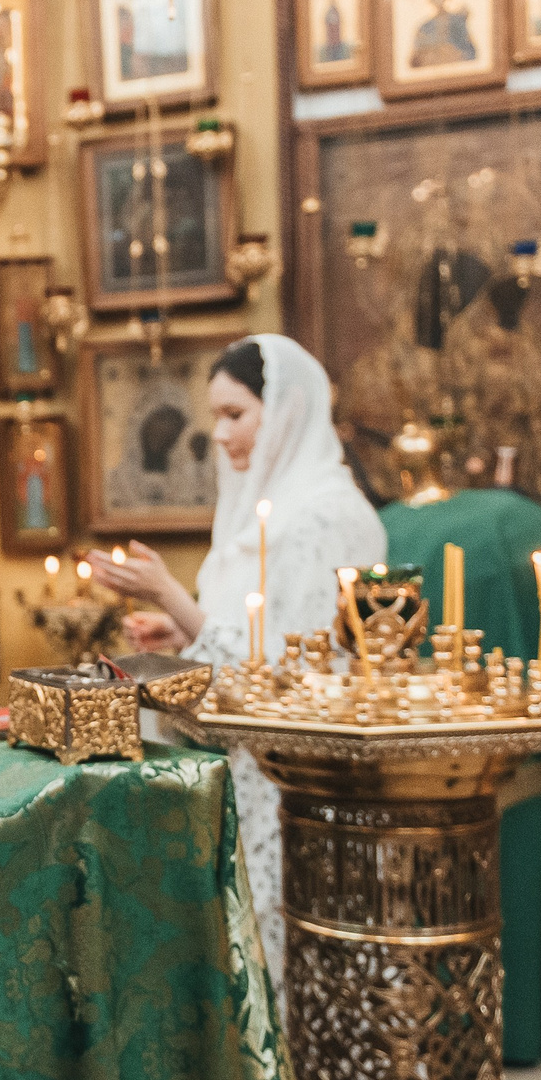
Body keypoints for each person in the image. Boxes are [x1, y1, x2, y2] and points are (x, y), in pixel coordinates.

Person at [87, 336, 386, 985]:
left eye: (235, 414)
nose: (219, 434)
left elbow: (282, 677)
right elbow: (247, 630)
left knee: (283, 971)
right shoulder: (258, 510)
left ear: (285, 410)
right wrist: (178, 626)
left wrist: (171, 593)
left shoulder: (328, 515)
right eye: (214, 416)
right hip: (236, 770)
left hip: (291, 783)